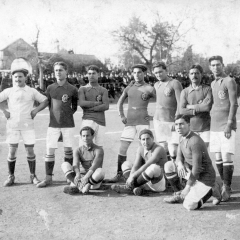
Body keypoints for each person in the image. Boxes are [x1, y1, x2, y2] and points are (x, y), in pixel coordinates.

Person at [106, 64, 155, 183]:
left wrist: (154, 116)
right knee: (122, 148)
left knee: (144, 149)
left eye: (139, 72)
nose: (137, 75)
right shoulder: (129, 88)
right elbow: (119, 103)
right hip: (130, 122)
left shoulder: (149, 88)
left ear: (144, 73)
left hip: (143, 122)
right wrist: (121, 115)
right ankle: (119, 174)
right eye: (134, 73)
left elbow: (161, 103)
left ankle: (142, 174)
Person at [0, 67, 48, 186]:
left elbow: (45, 100)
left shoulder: (31, 91)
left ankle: (33, 176)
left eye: (20, 76)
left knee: (30, 151)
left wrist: (35, 110)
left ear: (25, 78)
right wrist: (4, 111)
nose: (18, 79)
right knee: (12, 151)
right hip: (13, 125)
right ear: (13, 78)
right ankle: (11, 176)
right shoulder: (9, 91)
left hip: (28, 126)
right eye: (15, 77)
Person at [163, 115, 222, 210]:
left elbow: (197, 168)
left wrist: (187, 187)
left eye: (182, 124)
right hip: (193, 174)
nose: (178, 127)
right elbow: (178, 156)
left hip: (205, 177)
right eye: (177, 124)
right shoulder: (181, 137)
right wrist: (180, 164)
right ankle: (180, 194)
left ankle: (212, 189)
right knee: (168, 165)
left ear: (189, 125)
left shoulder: (195, 141)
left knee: (189, 206)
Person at [36, 61, 78, 188]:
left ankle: (69, 177)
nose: (58, 72)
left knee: (68, 150)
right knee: (50, 150)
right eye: (56, 70)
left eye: (60, 70)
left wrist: (66, 115)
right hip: (53, 125)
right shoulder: (50, 88)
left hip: (68, 125)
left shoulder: (72, 89)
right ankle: (48, 178)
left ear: (66, 72)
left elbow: (74, 107)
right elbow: (48, 104)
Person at [208, 55, 238, 201]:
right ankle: (224, 184)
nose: (215, 67)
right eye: (213, 65)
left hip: (226, 125)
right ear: (210, 67)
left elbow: (234, 104)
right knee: (218, 157)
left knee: (226, 156)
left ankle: (227, 186)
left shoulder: (229, 81)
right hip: (214, 125)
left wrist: (229, 124)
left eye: (218, 65)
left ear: (223, 65)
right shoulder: (213, 83)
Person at [111, 129, 167, 196]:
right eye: (143, 139)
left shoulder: (159, 149)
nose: (146, 142)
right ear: (140, 140)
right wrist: (130, 177)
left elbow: (147, 165)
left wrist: (132, 177)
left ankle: (129, 188)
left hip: (158, 183)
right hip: (145, 180)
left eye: (148, 139)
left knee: (153, 167)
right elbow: (136, 166)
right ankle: (137, 188)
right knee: (126, 164)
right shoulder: (140, 149)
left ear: (153, 138)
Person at [61, 126, 105, 194]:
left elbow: (95, 166)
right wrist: (78, 174)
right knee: (65, 164)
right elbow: (75, 164)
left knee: (100, 171)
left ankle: (83, 186)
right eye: (83, 136)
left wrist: (86, 177)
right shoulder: (78, 150)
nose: (85, 138)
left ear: (93, 136)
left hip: (93, 178)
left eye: (88, 135)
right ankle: (80, 186)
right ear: (81, 137)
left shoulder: (99, 150)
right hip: (81, 178)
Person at [152, 62, 183, 161]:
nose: (158, 74)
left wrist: (177, 120)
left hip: (171, 121)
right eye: (156, 73)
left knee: (173, 149)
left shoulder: (175, 83)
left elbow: (180, 103)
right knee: (164, 148)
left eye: (160, 72)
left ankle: (177, 169)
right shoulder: (156, 84)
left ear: (166, 71)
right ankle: (169, 171)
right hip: (159, 121)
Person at [180, 64, 212, 147]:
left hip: (205, 128)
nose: (194, 75)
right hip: (190, 128)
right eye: (192, 73)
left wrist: (190, 106)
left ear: (201, 74)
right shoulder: (185, 91)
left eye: (197, 73)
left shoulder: (207, 89)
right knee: (191, 154)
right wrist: (198, 108)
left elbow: (207, 107)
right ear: (189, 76)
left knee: (203, 154)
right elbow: (181, 110)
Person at [78, 65, 109, 147]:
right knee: (84, 146)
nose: (91, 75)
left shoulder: (103, 90)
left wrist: (91, 108)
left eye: (94, 73)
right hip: (87, 119)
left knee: (99, 146)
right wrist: (98, 103)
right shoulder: (82, 89)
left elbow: (106, 106)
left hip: (101, 121)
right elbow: (81, 103)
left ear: (98, 74)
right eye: (89, 73)